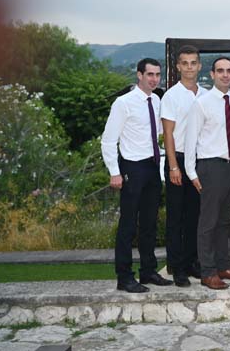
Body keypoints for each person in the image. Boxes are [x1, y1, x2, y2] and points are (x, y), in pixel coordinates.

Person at [101, 58, 173, 293]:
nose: (154, 79)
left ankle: (148, 271)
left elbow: (161, 131)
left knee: (150, 223)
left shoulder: (157, 100)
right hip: (132, 167)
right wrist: (115, 172)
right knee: (128, 225)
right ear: (139, 75)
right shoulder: (123, 103)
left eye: (157, 75)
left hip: (152, 166)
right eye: (150, 74)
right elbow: (108, 140)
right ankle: (124, 277)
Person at [185, 57, 230, 290]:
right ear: (212, 74)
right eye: (220, 70)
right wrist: (191, 173)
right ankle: (208, 272)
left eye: (229, 70)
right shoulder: (201, 103)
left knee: (224, 221)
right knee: (208, 223)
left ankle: (223, 266)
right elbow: (190, 140)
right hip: (211, 167)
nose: (225, 74)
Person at [161, 45, 207, 287]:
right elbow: (168, 134)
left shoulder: (206, 94)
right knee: (176, 217)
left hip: (199, 161)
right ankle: (177, 267)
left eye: (193, 63)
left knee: (195, 216)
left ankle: (191, 262)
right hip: (177, 160)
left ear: (199, 66)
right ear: (178, 66)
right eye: (185, 63)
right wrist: (172, 166)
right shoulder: (171, 96)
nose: (189, 67)